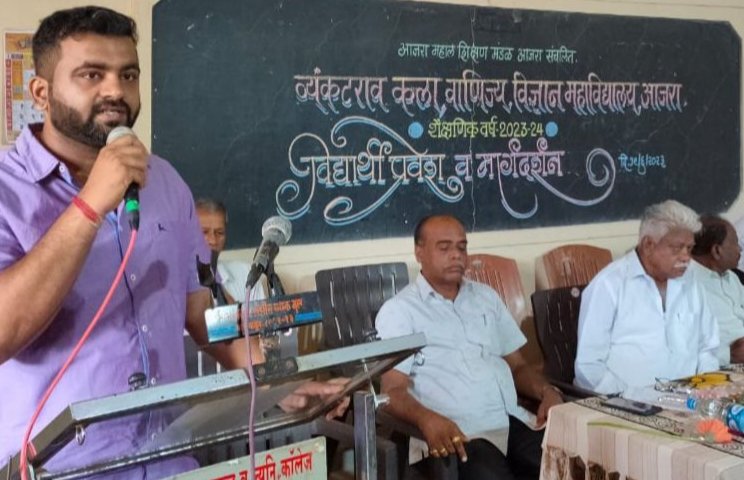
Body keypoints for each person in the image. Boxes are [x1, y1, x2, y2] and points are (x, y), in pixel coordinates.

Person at [0, 7, 344, 477]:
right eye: (91, 74)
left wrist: (274, 379)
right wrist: (91, 203)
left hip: (166, 459)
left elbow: (202, 312)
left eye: (128, 75)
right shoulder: (7, 190)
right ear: (41, 92)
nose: (115, 91)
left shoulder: (164, 181)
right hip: (59, 468)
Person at [376, 214, 562, 480]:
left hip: (510, 421)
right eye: (444, 247)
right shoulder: (400, 311)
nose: (456, 255)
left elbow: (518, 366)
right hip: (457, 433)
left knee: (563, 465)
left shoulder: (486, 297)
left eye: (462, 247)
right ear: (419, 252)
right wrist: (426, 419)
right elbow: (392, 391)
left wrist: (547, 391)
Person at [574, 200, 719, 395]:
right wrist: (633, 399)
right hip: (626, 403)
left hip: (691, 399)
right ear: (648, 244)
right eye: (677, 248)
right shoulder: (609, 285)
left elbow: (708, 348)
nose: (686, 257)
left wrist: (706, 389)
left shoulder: (691, 281)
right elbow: (589, 367)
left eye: (689, 248)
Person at [690, 215, 744, 365]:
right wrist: (728, 354)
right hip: (720, 368)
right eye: (735, 243)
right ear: (716, 250)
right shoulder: (686, 284)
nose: (740, 249)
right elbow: (680, 346)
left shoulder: (731, 277)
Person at [195, 197, 265, 303]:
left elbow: (262, 313)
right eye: (204, 232)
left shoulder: (247, 274)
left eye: (220, 233)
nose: (213, 240)